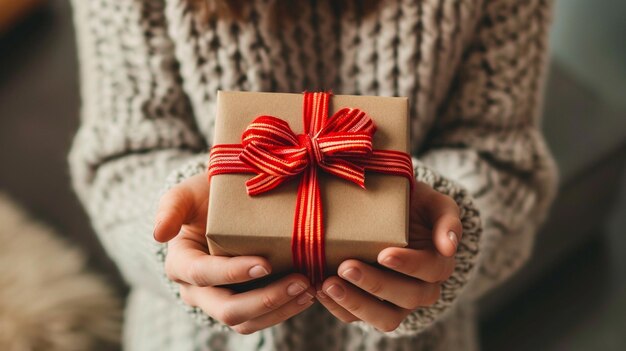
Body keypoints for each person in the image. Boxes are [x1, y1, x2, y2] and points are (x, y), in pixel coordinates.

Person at [68, 0, 558, 350]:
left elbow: (502, 160)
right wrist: (176, 241)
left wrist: (452, 239)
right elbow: (122, 158)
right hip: (190, 337)